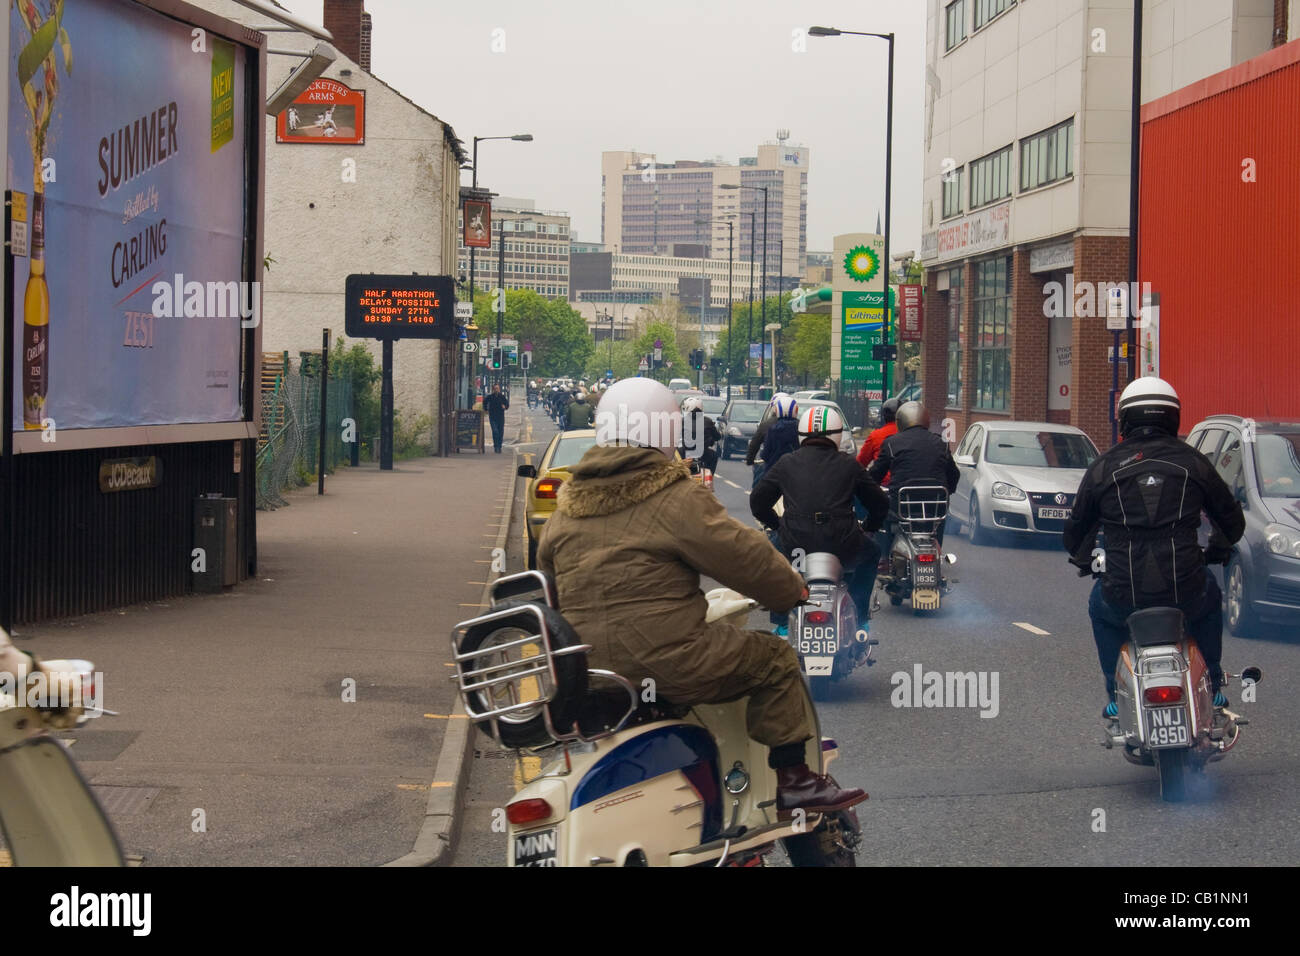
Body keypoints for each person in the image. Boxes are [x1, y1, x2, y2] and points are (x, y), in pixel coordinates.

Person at [537, 379, 867, 815]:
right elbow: (743, 557)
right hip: (669, 661)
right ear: (665, 433)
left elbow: (549, 591)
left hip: (588, 672)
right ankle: (796, 782)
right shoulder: (674, 494)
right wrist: (790, 590)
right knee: (774, 659)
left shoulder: (565, 510)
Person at [1062, 377, 1245, 717]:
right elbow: (1232, 522)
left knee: (1098, 608)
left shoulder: (1104, 466)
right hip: (1186, 591)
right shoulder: (1194, 463)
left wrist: (1084, 558)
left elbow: (1075, 531)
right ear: (1173, 417)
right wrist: (1217, 550)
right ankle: (1215, 683)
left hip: (1122, 594)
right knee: (1211, 596)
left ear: (1125, 420)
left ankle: (1115, 692)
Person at [751, 405, 889, 634]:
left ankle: (783, 623)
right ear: (837, 434)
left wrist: (778, 526)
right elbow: (879, 503)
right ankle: (860, 619)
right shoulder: (849, 464)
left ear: (802, 434)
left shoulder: (786, 462)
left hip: (796, 543)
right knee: (872, 553)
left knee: (775, 561)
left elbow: (758, 502)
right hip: (843, 544)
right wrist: (869, 528)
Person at [867, 401, 959, 563]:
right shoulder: (940, 443)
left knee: (884, 515)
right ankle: (937, 555)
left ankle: (887, 558)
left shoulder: (892, 443)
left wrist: (870, 489)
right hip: (935, 505)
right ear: (925, 420)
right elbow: (954, 474)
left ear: (901, 421)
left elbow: (875, 474)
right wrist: (947, 491)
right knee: (939, 522)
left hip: (903, 504)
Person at [745, 392, 794, 484]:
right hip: (794, 466)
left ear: (774, 408)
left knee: (758, 488)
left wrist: (750, 460)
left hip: (771, 465)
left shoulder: (767, 425)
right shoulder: (800, 425)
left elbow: (755, 445)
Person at [758, 394, 801, 472]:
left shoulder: (773, 430)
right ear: (796, 410)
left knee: (759, 482)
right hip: (796, 471)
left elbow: (765, 454)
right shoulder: (801, 428)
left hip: (774, 470)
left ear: (777, 410)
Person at [680, 395, 721, 472]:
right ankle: (709, 476)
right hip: (703, 453)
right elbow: (717, 437)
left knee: (676, 457)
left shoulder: (682, 421)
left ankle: (678, 475)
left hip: (685, 452)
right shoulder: (708, 421)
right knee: (714, 456)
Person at [857, 398, 900, 471]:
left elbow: (860, 463)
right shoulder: (911, 435)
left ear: (883, 416)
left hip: (881, 481)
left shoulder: (875, 436)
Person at [483, 383, 509, 453]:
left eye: (497, 388)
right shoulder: (490, 397)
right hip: (492, 416)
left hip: (500, 417)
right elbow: (484, 402)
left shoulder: (502, 397)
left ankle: (499, 446)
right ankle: (496, 446)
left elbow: (507, 404)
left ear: (499, 389)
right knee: (495, 431)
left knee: (500, 432)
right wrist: (486, 410)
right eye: (495, 389)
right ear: (493, 389)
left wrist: (505, 407)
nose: (496, 390)